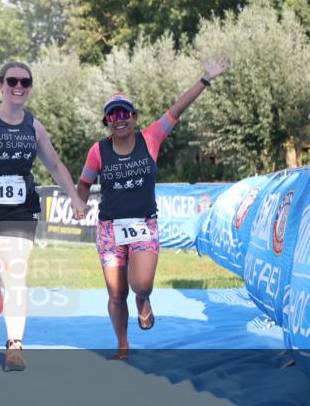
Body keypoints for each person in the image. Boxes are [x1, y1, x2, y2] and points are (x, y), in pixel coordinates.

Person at [76, 59, 228, 361]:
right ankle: (122, 344)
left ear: (133, 116)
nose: (119, 119)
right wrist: (79, 201)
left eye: (124, 113)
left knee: (140, 284)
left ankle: (143, 300)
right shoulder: (98, 150)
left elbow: (177, 109)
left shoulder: (151, 138)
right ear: (107, 121)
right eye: (112, 115)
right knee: (116, 293)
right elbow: (83, 183)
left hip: (144, 224)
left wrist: (205, 79)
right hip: (109, 230)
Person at [0, 61, 88, 371]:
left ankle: (15, 344)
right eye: (12, 81)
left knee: (15, 270)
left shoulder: (34, 126)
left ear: (30, 87)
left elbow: (56, 166)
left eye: (25, 81)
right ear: (1, 85)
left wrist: (75, 197)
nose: (18, 86)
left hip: (20, 207)